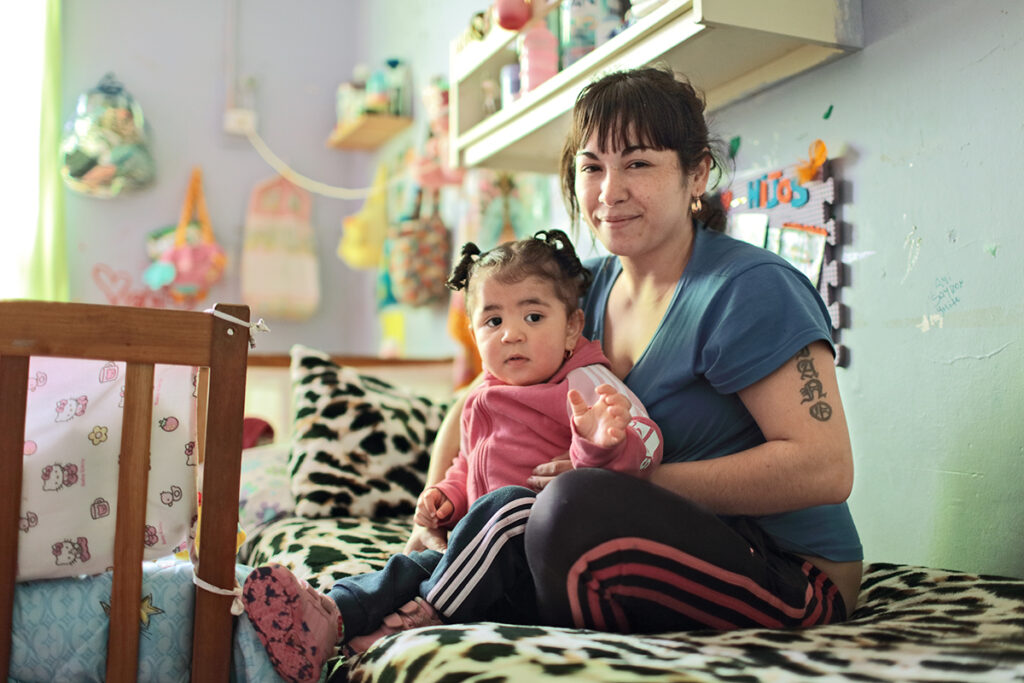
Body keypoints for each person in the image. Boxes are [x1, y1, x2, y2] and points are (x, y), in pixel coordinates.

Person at [408, 63, 863, 635]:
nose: (610, 191)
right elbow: (477, 402)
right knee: (533, 518)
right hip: (628, 549)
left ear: (697, 174)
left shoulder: (749, 290)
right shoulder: (579, 291)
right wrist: (425, 517)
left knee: (568, 506)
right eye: (591, 166)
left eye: (638, 163)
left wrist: (631, 484)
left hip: (790, 576)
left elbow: (824, 468)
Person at [241, 229, 663, 683]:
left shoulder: (583, 382)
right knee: (408, 566)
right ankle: (326, 617)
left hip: (543, 568)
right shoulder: (483, 393)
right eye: (493, 321)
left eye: (534, 316)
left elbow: (649, 446)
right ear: (474, 331)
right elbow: (470, 461)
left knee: (511, 506)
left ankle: (429, 613)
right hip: (479, 561)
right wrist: (448, 494)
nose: (512, 334)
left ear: (572, 327)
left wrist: (602, 443)